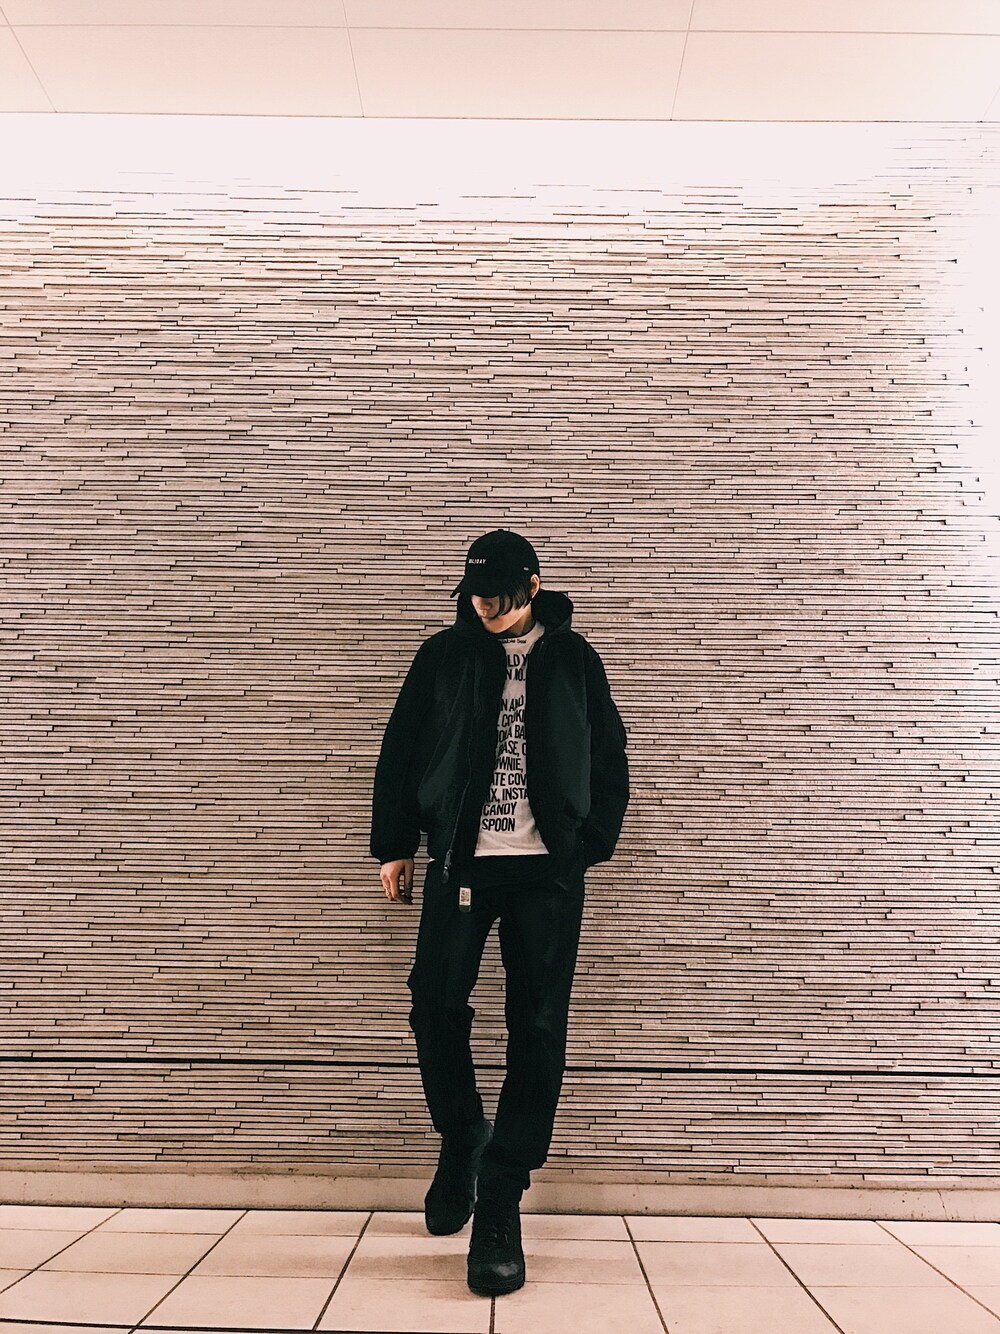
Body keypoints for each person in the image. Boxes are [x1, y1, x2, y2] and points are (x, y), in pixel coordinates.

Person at [369, 528, 629, 1297]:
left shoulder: (573, 659)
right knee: (434, 1003)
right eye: (476, 596)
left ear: (533, 587)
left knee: (537, 1026)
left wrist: (588, 844)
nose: (484, 608)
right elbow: (403, 746)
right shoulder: (444, 655)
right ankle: (463, 1137)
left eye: (499, 597)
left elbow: (609, 754)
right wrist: (396, 844)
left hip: (546, 874)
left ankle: (503, 1195)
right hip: (463, 862)